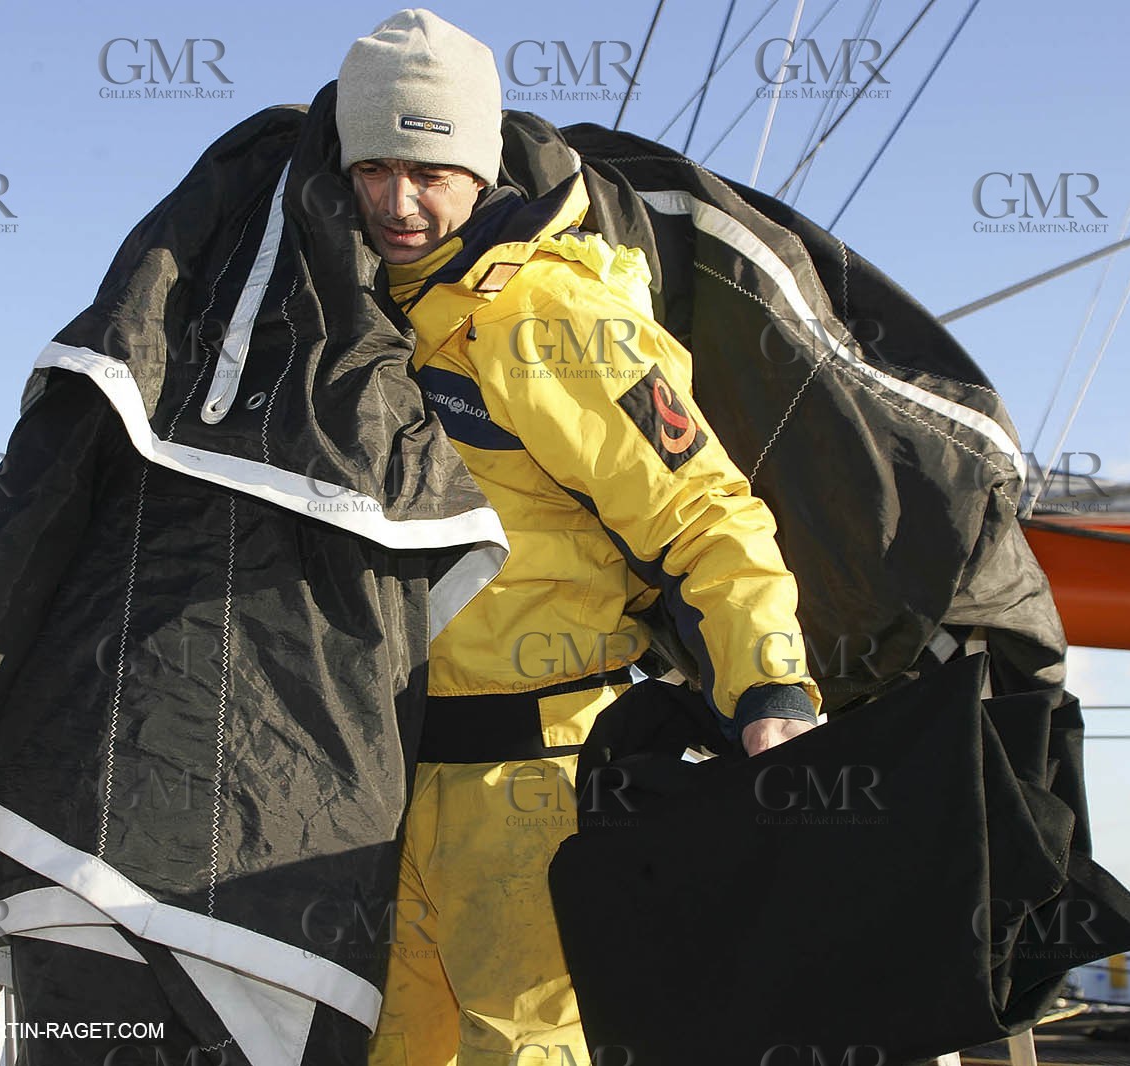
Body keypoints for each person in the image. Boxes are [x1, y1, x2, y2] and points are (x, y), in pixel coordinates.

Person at [333, 11, 823, 1064]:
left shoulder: (553, 316)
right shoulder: (363, 325)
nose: (397, 201)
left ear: (476, 162)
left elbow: (709, 516)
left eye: (427, 168)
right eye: (371, 167)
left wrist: (772, 693)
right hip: (390, 801)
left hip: (541, 796)